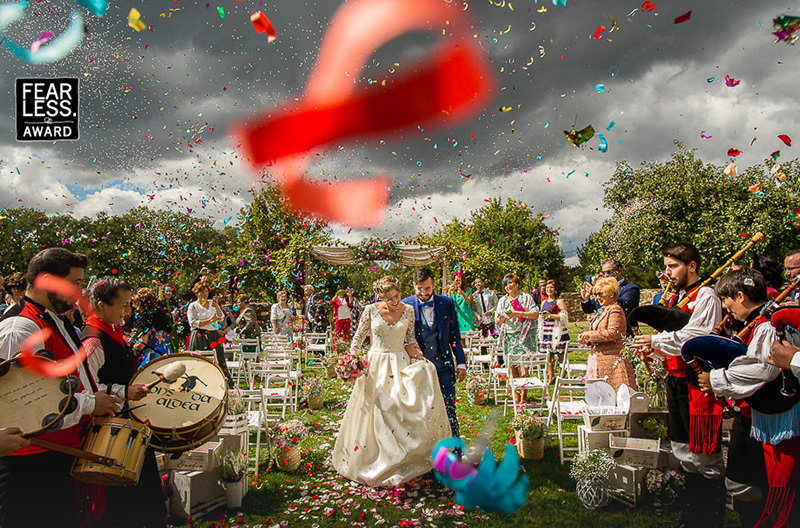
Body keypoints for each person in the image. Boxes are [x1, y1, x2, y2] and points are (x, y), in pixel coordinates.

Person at [0, 248, 122, 528]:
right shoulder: (20, 328)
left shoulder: (51, 318)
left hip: (58, 455)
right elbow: (24, 406)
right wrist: (91, 405)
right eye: (75, 283)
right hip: (32, 466)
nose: (80, 293)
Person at [633, 243, 726, 528]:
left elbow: (696, 336)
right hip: (675, 381)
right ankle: (693, 516)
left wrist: (657, 341)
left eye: (673, 266)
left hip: (697, 384)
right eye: (667, 266)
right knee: (682, 449)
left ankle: (709, 518)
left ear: (692, 266)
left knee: (704, 453)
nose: (667, 272)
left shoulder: (706, 296)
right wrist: (654, 351)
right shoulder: (677, 298)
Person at [332, 276, 450, 487]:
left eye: (397, 296)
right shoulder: (369, 310)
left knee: (398, 409)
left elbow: (411, 339)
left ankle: (404, 457)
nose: (396, 301)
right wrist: (351, 360)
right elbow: (358, 338)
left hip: (399, 363)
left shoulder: (408, 310)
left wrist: (420, 357)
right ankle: (372, 457)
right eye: (390, 298)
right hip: (374, 366)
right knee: (377, 412)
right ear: (380, 296)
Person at [694, 269, 778, 527]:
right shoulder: (759, 323)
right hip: (753, 417)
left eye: (727, 301)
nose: (725, 308)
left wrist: (716, 380)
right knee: (744, 483)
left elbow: (762, 369)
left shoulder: (768, 326)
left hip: (765, 421)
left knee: (754, 485)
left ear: (740, 296)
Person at [82, 277, 167, 528]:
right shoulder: (93, 341)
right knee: (121, 504)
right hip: (110, 434)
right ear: (100, 306)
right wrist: (124, 391)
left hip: (127, 426)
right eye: (124, 306)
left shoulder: (113, 330)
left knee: (143, 494)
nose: (128, 311)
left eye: (130, 305)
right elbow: (87, 387)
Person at [403, 267, 467, 437]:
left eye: (427, 288)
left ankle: (454, 451)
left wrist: (461, 362)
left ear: (434, 285)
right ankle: (427, 455)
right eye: (419, 288)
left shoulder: (446, 303)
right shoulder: (405, 305)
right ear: (414, 286)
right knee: (421, 413)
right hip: (417, 368)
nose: (423, 293)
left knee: (448, 409)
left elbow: (455, 336)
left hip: (443, 366)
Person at [576, 277, 637, 391]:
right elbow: (601, 334)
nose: (598, 298)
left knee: (615, 396)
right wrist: (588, 341)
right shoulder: (605, 309)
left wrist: (590, 334)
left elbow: (613, 333)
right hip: (599, 359)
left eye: (600, 294)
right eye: (596, 294)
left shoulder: (615, 310)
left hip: (613, 361)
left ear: (612, 294)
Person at [580, 258, 640, 336]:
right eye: (603, 272)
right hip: (602, 335)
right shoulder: (600, 290)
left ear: (619, 271)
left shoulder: (630, 288)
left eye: (609, 272)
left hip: (624, 334)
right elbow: (589, 309)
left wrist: (599, 293)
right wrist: (586, 298)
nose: (606, 275)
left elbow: (626, 303)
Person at [187, 281, 232, 383]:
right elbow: (193, 323)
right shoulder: (193, 306)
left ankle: (223, 381)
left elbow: (221, 318)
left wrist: (216, 307)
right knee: (201, 360)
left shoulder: (212, 303)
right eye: (202, 292)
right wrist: (209, 321)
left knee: (220, 359)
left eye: (206, 291)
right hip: (200, 335)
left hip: (213, 334)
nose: (204, 294)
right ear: (197, 293)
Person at [495, 273, 538, 367]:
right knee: (512, 368)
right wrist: (500, 319)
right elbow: (498, 322)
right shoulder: (503, 300)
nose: (508, 286)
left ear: (517, 283)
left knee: (524, 368)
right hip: (509, 338)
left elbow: (535, 315)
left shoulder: (526, 297)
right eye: (505, 284)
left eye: (510, 283)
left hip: (525, 337)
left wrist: (517, 313)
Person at [538, 280, 570, 385]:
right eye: (547, 288)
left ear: (555, 289)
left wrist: (550, 315)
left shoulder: (559, 301)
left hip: (557, 329)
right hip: (547, 330)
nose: (549, 290)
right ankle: (551, 377)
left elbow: (564, 316)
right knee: (549, 356)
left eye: (551, 288)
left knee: (561, 355)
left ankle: (563, 377)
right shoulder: (544, 302)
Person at [130, 287, 173, 365]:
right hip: (166, 353)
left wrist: (132, 348)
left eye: (137, 304)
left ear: (141, 303)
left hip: (153, 356)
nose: (136, 307)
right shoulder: (160, 313)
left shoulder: (144, 316)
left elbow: (143, 343)